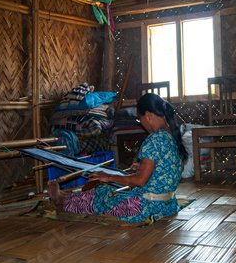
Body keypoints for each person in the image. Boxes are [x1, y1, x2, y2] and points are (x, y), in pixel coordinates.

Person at [47, 93, 188, 222]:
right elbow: (169, 166)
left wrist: (107, 176)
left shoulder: (154, 139)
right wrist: (145, 166)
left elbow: (139, 181)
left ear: (148, 115)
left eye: (140, 119)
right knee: (107, 190)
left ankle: (61, 200)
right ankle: (66, 197)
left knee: (104, 194)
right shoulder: (172, 136)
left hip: (145, 207)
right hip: (167, 204)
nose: (142, 124)